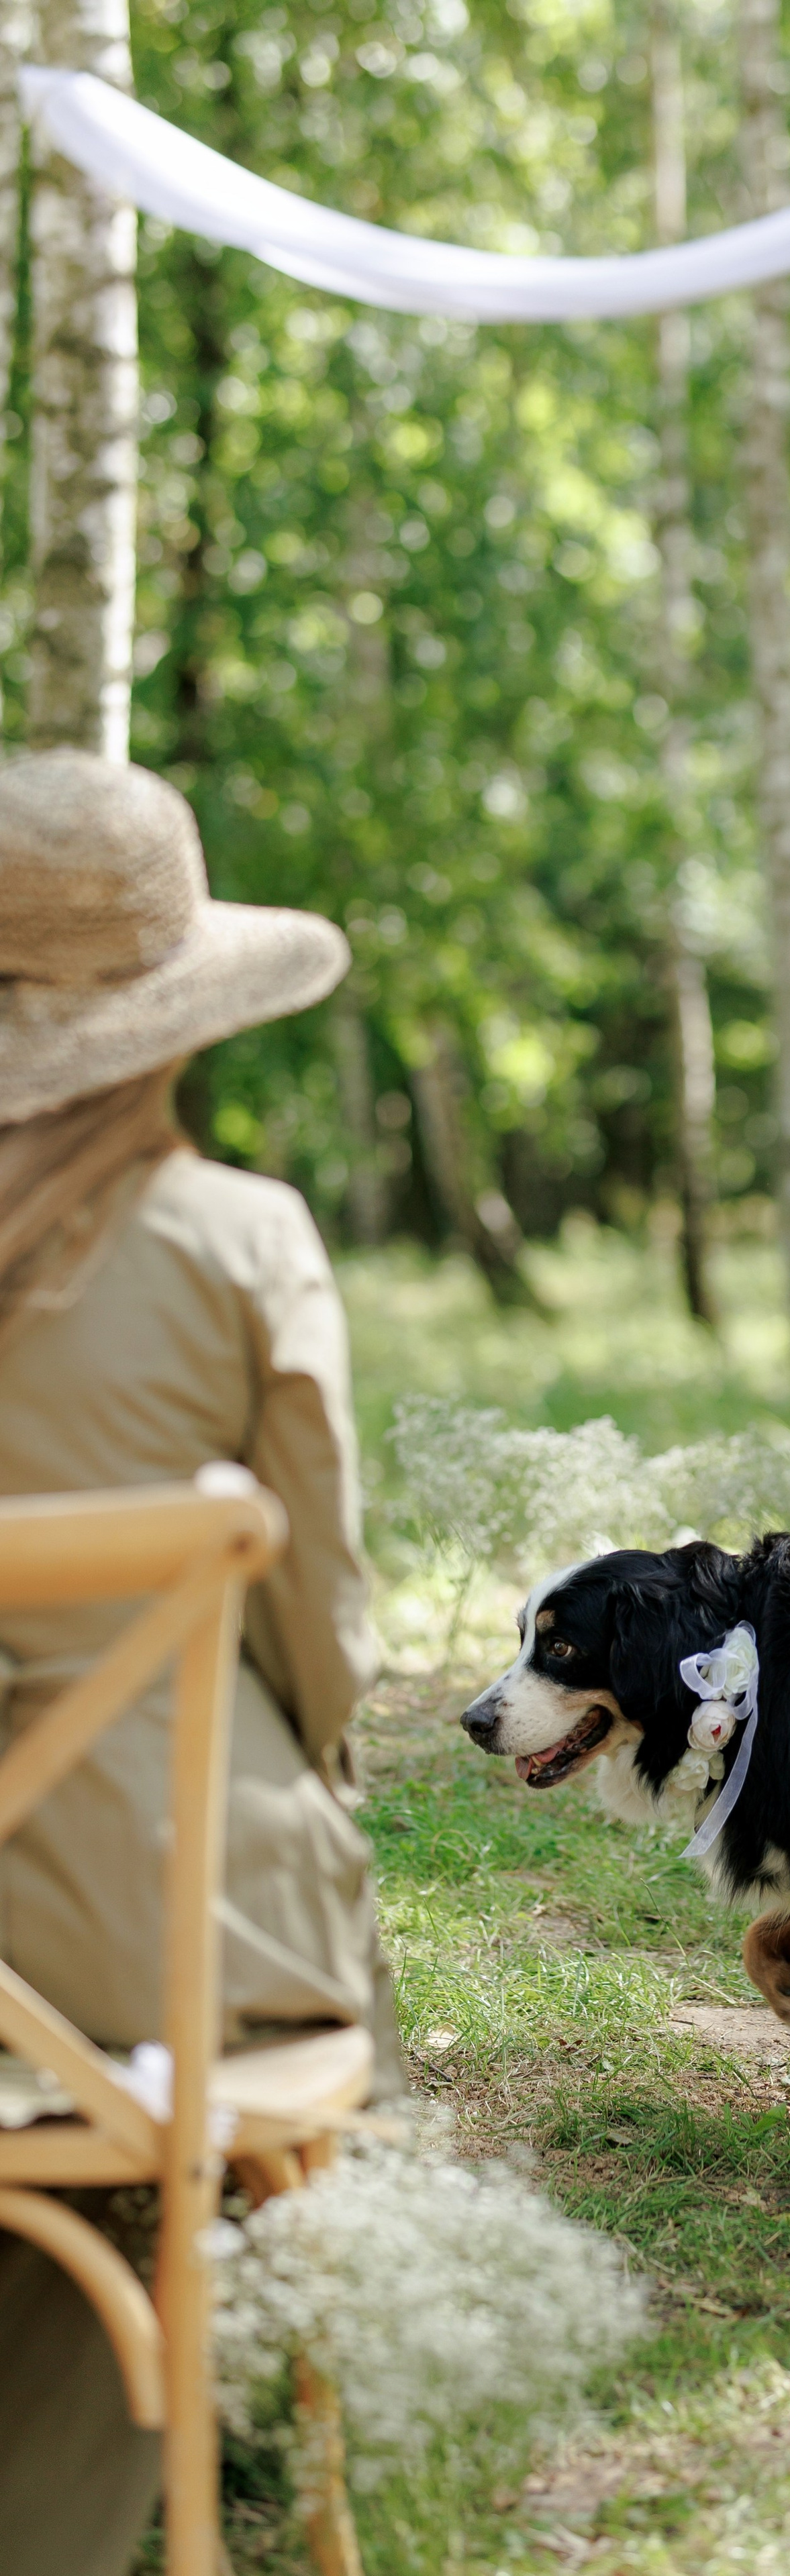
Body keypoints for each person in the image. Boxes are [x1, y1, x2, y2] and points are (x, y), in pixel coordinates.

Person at [0, 749, 399, 2576]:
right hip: (159, 1919)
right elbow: (322, 1631)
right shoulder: (244, 1241)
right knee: (252, 1975)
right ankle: (212, 2455)